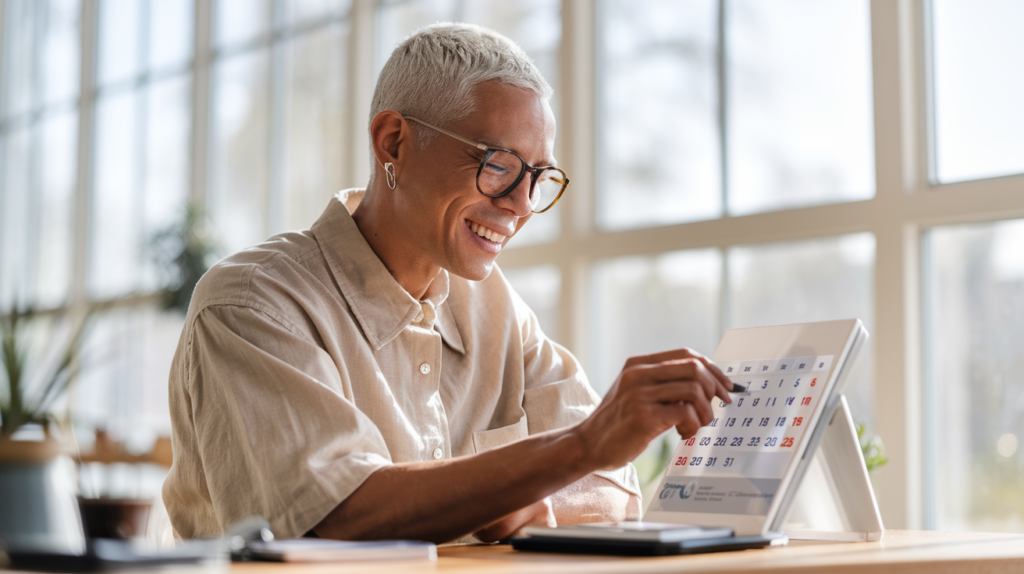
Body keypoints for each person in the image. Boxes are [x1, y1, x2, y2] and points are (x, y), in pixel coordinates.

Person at [163, 22, 732, 544]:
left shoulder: (497, 309)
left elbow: (614, 490)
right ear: (394, 142)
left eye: (537, 177)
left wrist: (510, 495)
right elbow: (329, 519)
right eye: (499, 163)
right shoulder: (253, 304)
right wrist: (560, 458)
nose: (521, 205)